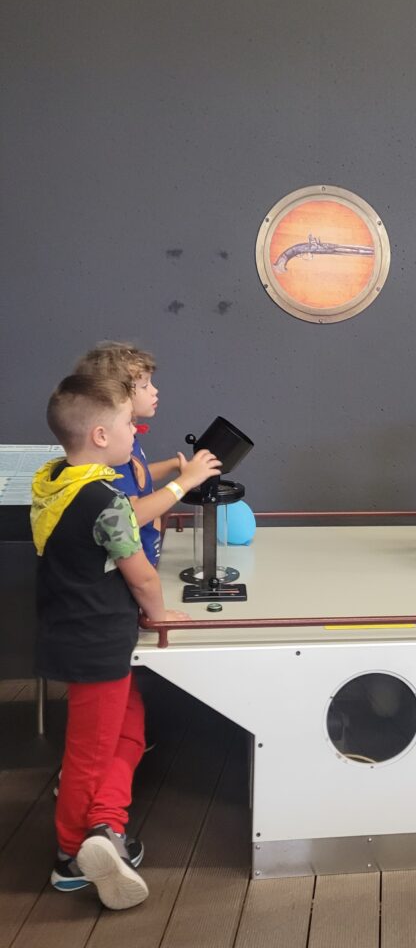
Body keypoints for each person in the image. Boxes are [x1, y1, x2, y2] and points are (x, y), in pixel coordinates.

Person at [30, 374, 199, 909]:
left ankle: (107, 826)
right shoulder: (105, 500)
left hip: (72, 633)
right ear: (101, 435)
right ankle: (69, 856)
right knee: (88, 754)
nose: (135, 432)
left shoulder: (53, 480)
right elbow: (141, 574)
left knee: (128, 727)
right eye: (129, 423)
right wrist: (161, 615)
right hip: (98, 642)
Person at [74, 341, 219, 566]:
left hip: (147, 554)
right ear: (114, 396)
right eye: (144, 386)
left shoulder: (125, 439)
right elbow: (131, 516)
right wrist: (185, 482)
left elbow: (136, 477)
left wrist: (174, 465)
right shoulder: (113, 451)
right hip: (132, 567)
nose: (154, 390)